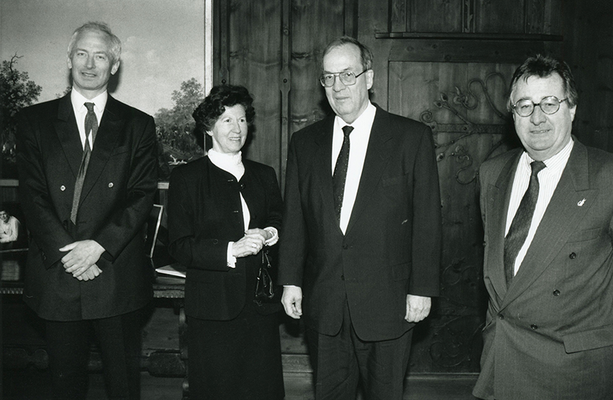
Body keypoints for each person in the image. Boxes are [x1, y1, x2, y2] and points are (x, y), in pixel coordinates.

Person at [278, 36, 442, 399]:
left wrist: (422, 288)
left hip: (389, 302)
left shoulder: (410, 138)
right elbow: (295, 218)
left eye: (348, 75)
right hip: (325, 302)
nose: (338, 87)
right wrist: (290, 279)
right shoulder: (304, 143)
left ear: (369, 78)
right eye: (329, 77)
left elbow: (427, 219)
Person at [16, 22, 158, 399]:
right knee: (65, 385)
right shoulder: (33, 122)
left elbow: (142, 194)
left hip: (115, 275)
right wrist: (71, 252)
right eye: (82, 53)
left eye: (100, 56)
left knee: (124, 386)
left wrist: (98, 246)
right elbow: (32, 195)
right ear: (69, 59)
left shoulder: (139, 125)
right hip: (57, 275)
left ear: (114, 65)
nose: (90, 64)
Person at [473, 55, 613, 400]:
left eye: (550, 103)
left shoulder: (605, 175)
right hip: (501, 360)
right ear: (512, 113)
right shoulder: (492, 173)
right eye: (524, 105)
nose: (537, 117)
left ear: (572, 108)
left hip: (570, 369)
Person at [167, 84, 285, 400]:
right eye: (227, 121)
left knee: (261, 389)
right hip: (212, 308)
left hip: (260, 304)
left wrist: (267, 234)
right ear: (209, 128)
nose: (237, 129)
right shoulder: (186, 179)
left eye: (242, 120)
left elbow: (278, 218)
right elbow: (178, 244)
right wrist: (230, 250)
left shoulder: (264, 175)